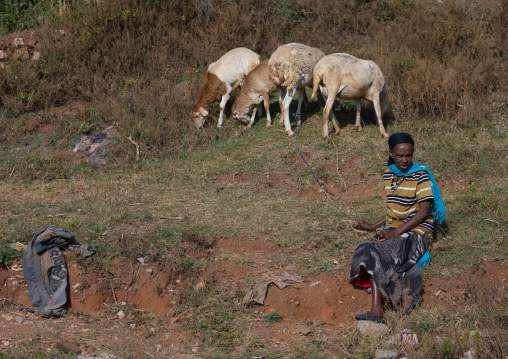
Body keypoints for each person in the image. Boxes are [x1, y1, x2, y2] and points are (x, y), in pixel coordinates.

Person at [350, 132, 446, 323]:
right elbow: (393, 213)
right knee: (364, 249)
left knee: (380, 252)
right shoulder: (388, 174)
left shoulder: (420, 175)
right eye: (400, 155)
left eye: (408, 155)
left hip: (417, 231)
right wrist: (371, 226)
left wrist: (396, 232)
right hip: (397, 228)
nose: (405, 160)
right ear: (391, 153)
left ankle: (378, 309)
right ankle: (385, 306)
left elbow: (424, 211)